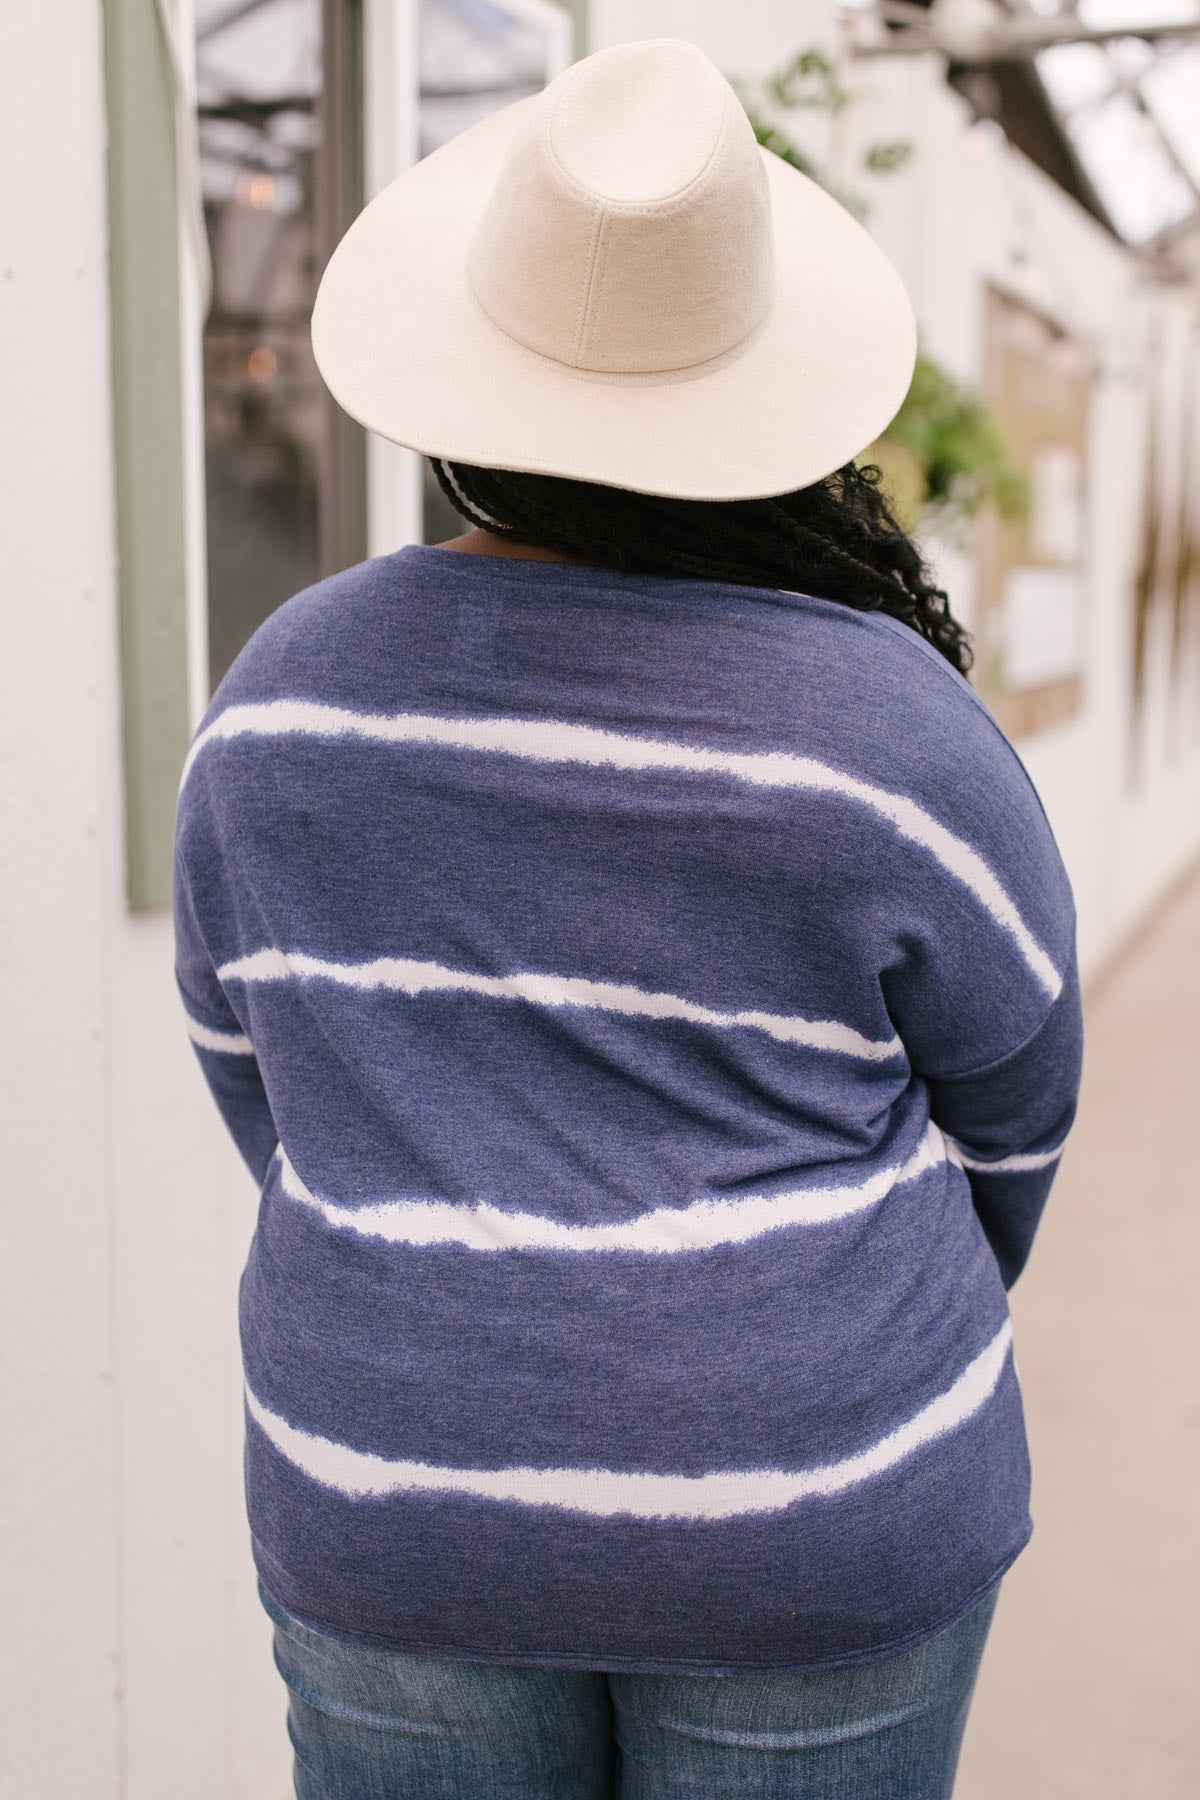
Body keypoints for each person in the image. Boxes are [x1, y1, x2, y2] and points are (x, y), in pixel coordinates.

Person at [172, 36, 1084, 1799]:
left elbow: (264, 1078)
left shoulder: (286, 696)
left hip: (393, 1490)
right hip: (823, 1508)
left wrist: (460, 1249)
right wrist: (793, 1328)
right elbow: (1018, 1125)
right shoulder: (896, 727)